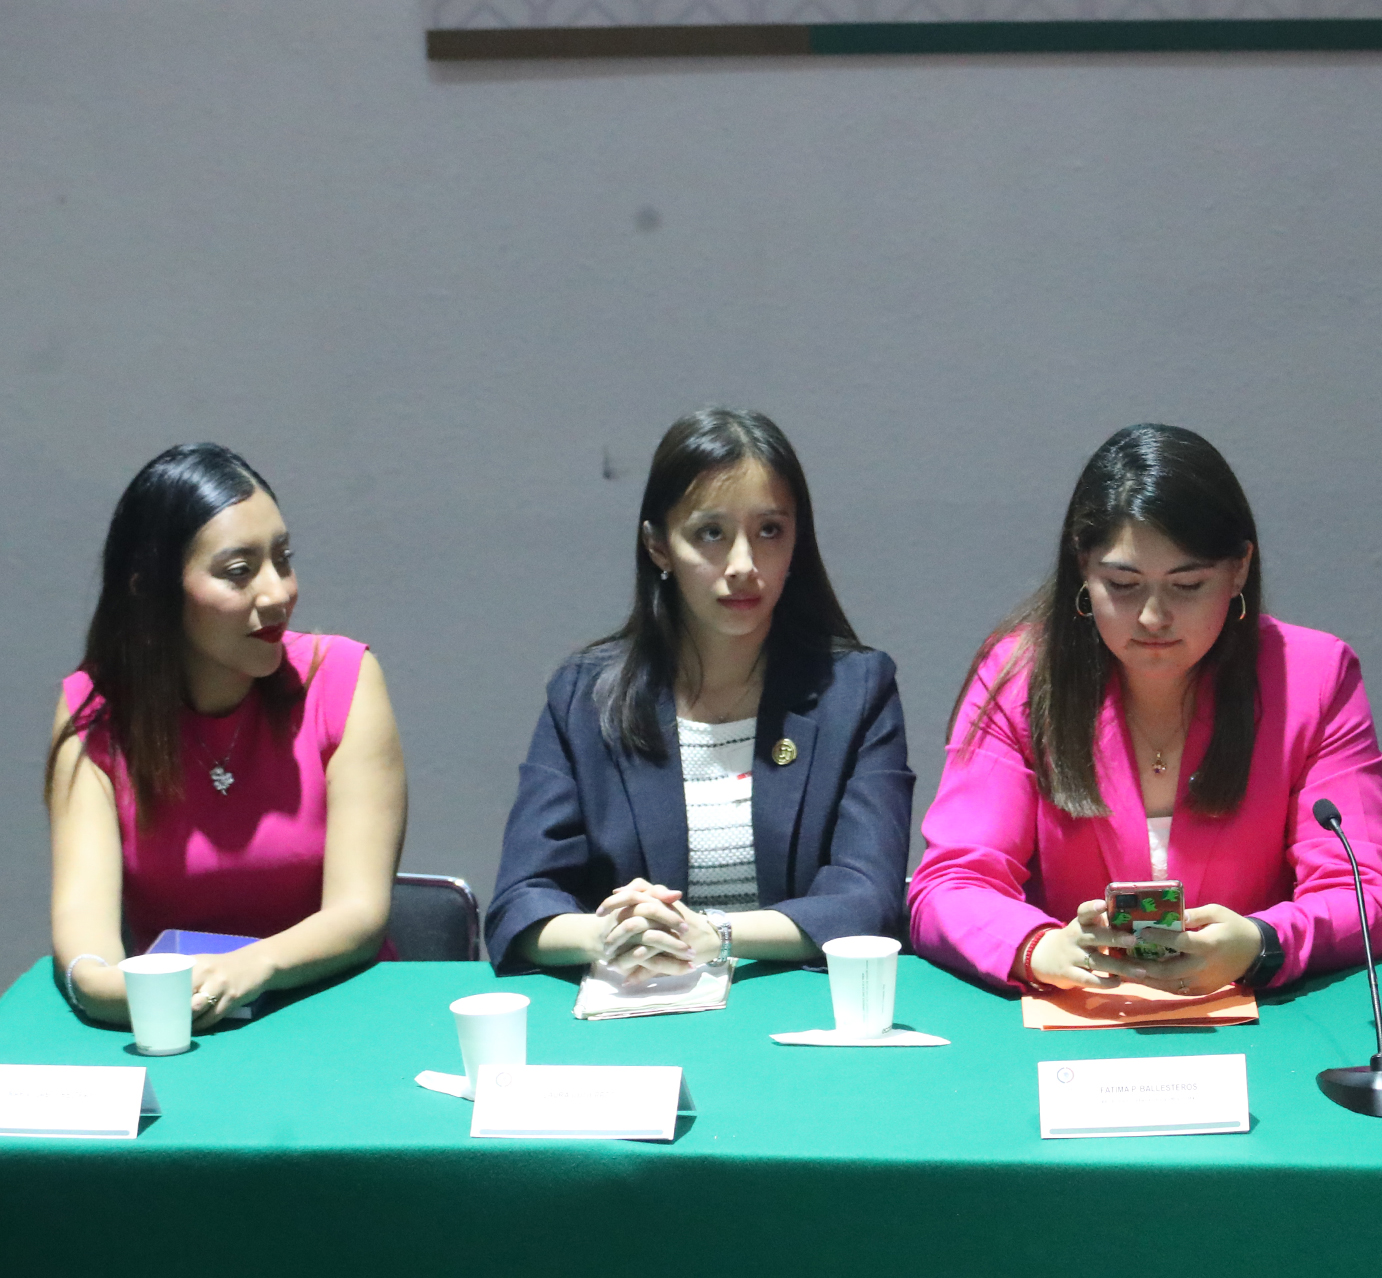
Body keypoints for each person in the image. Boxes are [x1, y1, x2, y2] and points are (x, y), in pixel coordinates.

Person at [909, 423, 1382, 996]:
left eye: (1187, 585)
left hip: (1255, 1021)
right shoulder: (1018, 676)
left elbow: (1363, 893)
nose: (1153, 617)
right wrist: (1038, 947)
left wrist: (1262, 943)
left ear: (1239, 569)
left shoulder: (1314, 677)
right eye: (1123, 584)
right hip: (1077, 1017)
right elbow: (950, 884)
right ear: (1083, 567)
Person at [487, 408, 911, 976]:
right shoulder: (584, 696)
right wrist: (613, 933)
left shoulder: (855, 691)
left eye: (769, 531)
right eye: (711, 533)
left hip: (793, 1004)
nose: (743, 565)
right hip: (637, 1000)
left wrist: (713, 935)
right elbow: (521, 904)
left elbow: (868, 900)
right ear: (659, 547)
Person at [47, 444, 408, 1032]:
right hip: (181, 1022)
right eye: (239, 572)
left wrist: (248, 968)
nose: (278, 593)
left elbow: (359, 913)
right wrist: (105, 988)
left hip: (340, 1016)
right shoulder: (95, 709)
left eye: (283, 559)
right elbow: (86, 937)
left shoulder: (344, 679)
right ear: (150, 590)